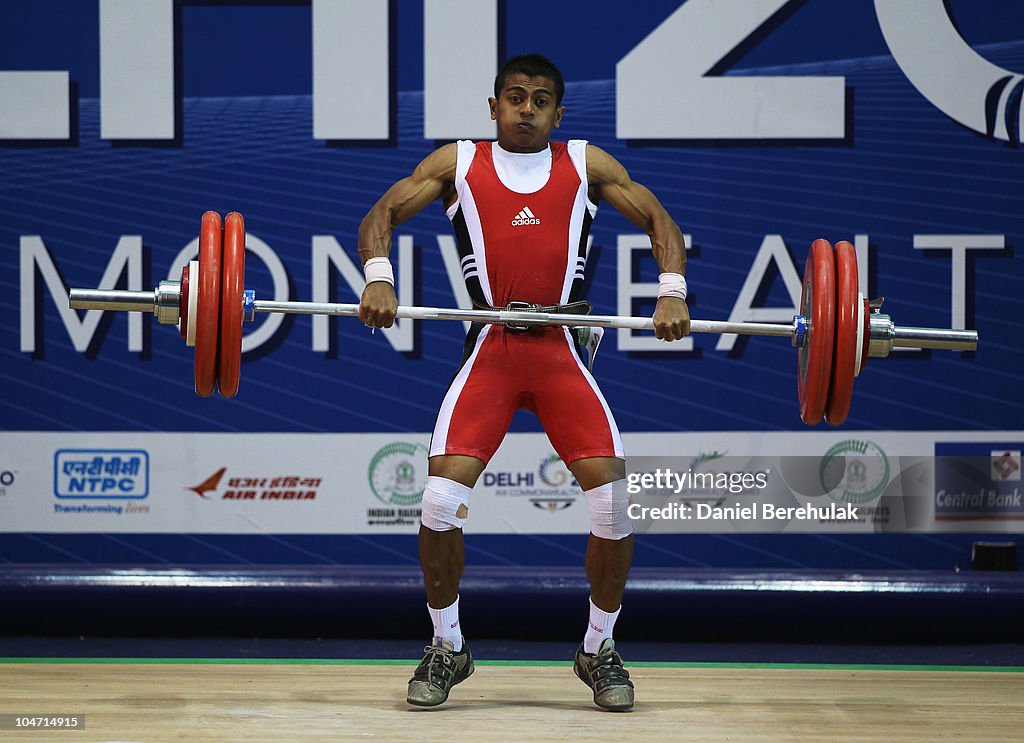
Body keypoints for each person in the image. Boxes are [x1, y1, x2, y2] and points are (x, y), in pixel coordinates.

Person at [357, 53, 689, 711]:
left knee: (614, 506)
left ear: (558, 113)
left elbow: (657, 219)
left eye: (540, 99)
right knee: (437, 500)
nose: (527, 108)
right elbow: (381, 216)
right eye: (514, 96)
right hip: (493, 352)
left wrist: (672, 289)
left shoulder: (585, 163)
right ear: (493, 107)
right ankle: (447, 644)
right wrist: (379, 277)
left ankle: (599, 648)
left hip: (561, 351)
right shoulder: (459, 163)